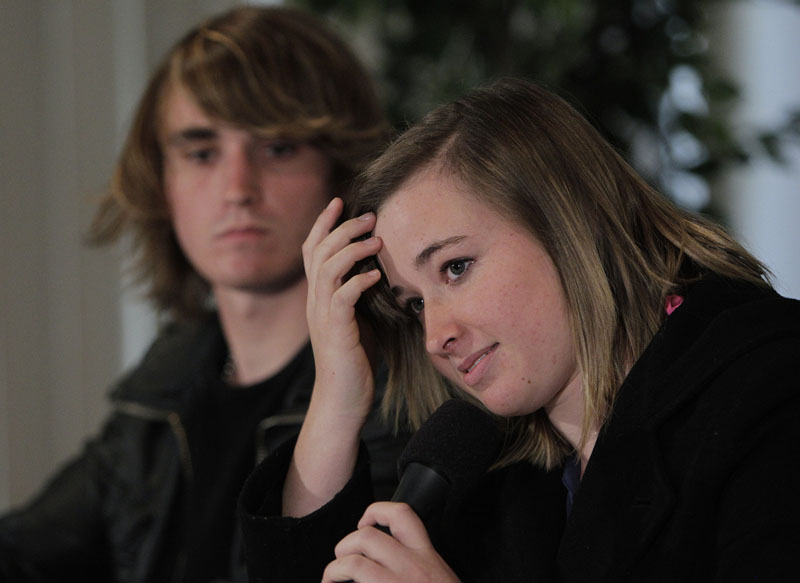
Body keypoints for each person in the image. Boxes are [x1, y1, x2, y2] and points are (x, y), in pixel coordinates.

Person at [238, 77, 800, 582]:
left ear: (565, 220)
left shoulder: (771, 384)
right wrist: (337, 397)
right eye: (413, 305)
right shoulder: (495, 473)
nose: (435, 336)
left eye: (455, 268)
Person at [0, 6, 406, 583]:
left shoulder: (403, 388)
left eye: (279, 148)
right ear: (161, 183)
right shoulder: (165, 384)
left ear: (341, 170)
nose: (237, 188)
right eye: (201, 152)